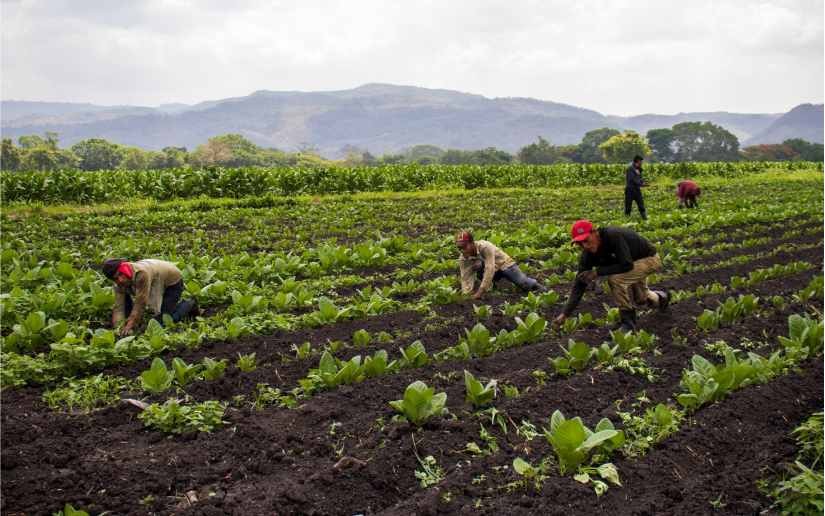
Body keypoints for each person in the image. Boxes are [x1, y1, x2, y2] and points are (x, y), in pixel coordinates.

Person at [552, 220, 669, 332]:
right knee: (641, 298)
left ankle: (628, 323)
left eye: (586, 240)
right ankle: (662, 298)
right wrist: (564, 314)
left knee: (616, 280)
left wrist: (597, 272)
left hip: (649, 259)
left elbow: (626, 265)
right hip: (633, 263)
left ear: (595, 232)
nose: (585, 246)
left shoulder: (613, 236)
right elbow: (579, 284)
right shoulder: (587, 255)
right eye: (580, 244)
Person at [102, 258, 197, 336]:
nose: (120, 280)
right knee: (127, 307)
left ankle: (189, 303)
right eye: (115, 279)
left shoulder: (141, 274)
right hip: (155, 277)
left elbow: (141, 302)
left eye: (120, 274)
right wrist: (118, 328)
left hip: (172, 282)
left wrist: (130, 324)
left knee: (162, 321)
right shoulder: (118, 283)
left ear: (124, 269)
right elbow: (119, 307)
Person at [456, 231, 546, 300]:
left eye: (464, 247)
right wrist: (466, 295)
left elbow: (489, 268)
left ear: (472, 243)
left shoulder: (485, 247)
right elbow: (465, 276)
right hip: (493, 270)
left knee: (522, 283)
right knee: (477, 266)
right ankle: (492, 286)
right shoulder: (463, 258)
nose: (462, 250)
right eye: (459, 248)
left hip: (505, 265)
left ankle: (540, 288)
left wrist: (480, 292)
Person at [625, 155, 647, 220]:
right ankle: (627, 219)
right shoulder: (630, 169)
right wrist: (641, 184)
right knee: (628, 206)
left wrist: (643, 182)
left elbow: (639, 178)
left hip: (637, 189)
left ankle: (645, 218)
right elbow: (632, 179)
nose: (642, 163)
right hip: (630, 190)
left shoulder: (639, 169)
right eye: (641, 161)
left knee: (641, 204)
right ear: (637, 161)